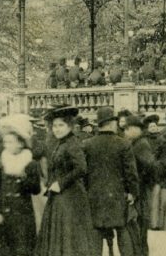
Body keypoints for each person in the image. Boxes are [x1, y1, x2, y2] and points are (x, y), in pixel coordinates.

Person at [35, 106, 96, 256]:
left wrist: (60, 183)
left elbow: (81, 168)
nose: (57, 129)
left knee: (69, 236)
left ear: (69, 126)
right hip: (61, 195)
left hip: (70, 196)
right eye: (54, 126)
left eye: (61, 125)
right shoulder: (61, 143)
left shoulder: (72, 143)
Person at [82, 107, 139, 256]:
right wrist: (133, 192)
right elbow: (130, 173)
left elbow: (83, 173)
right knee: (123, 230)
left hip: (94, 196)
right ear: (112, 123)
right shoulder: (123, 144)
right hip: (117, 195)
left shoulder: (87, 144)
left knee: (95, 234)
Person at [0, 114, 42, 256]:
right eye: (5, 142)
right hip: (4, 213)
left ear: (20, 143)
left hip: (23, 216)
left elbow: (36, 189)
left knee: (23, 249)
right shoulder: (2, 161)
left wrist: (23, 179)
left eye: (10, 142)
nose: (7, 146)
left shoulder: (30, 163)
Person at [124, 115, 158, 256]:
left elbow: (150, 166)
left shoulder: (140, 144)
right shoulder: (137, 142)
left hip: (141, 191)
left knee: (139, 226)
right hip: (141, 189)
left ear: (136, 129)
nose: (125, 131)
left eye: (127, 129)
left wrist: (140, 180)